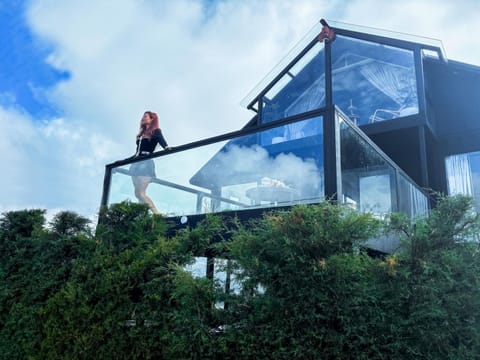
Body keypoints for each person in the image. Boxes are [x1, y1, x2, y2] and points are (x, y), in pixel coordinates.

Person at [129, 111, 170, 214]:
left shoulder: (155, 131)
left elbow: (161, 140)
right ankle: (142, 215)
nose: (143, 118)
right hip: (136, 164)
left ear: (152, 119)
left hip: (146, 163)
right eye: (142, 116)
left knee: (141, 193)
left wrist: (166, 147)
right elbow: (137, 153)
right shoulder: (141, 135)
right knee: (137, 194)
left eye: (145, 116)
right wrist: (123, 161)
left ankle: (157, 214)